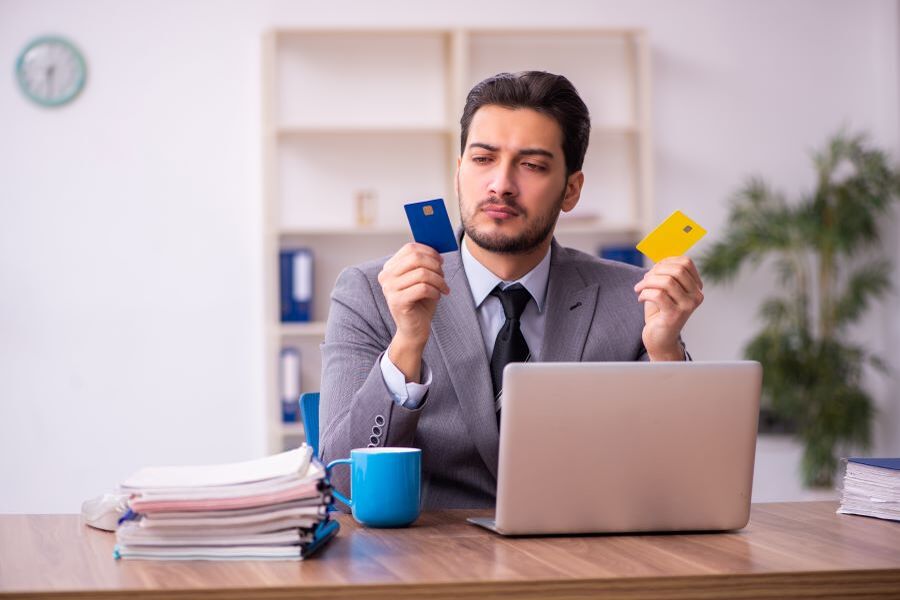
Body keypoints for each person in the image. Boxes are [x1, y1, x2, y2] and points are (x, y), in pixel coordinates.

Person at [319, 71, 704, 509]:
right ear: (459, 171)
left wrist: (665, 354)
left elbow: (684, 482)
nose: (500, 184)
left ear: (571, 190)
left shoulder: (632, 300)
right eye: (483, 159)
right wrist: (407, 344)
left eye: (532, 165)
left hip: (584, 559)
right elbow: (345, 484)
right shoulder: (369, 294)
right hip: (427, 563)